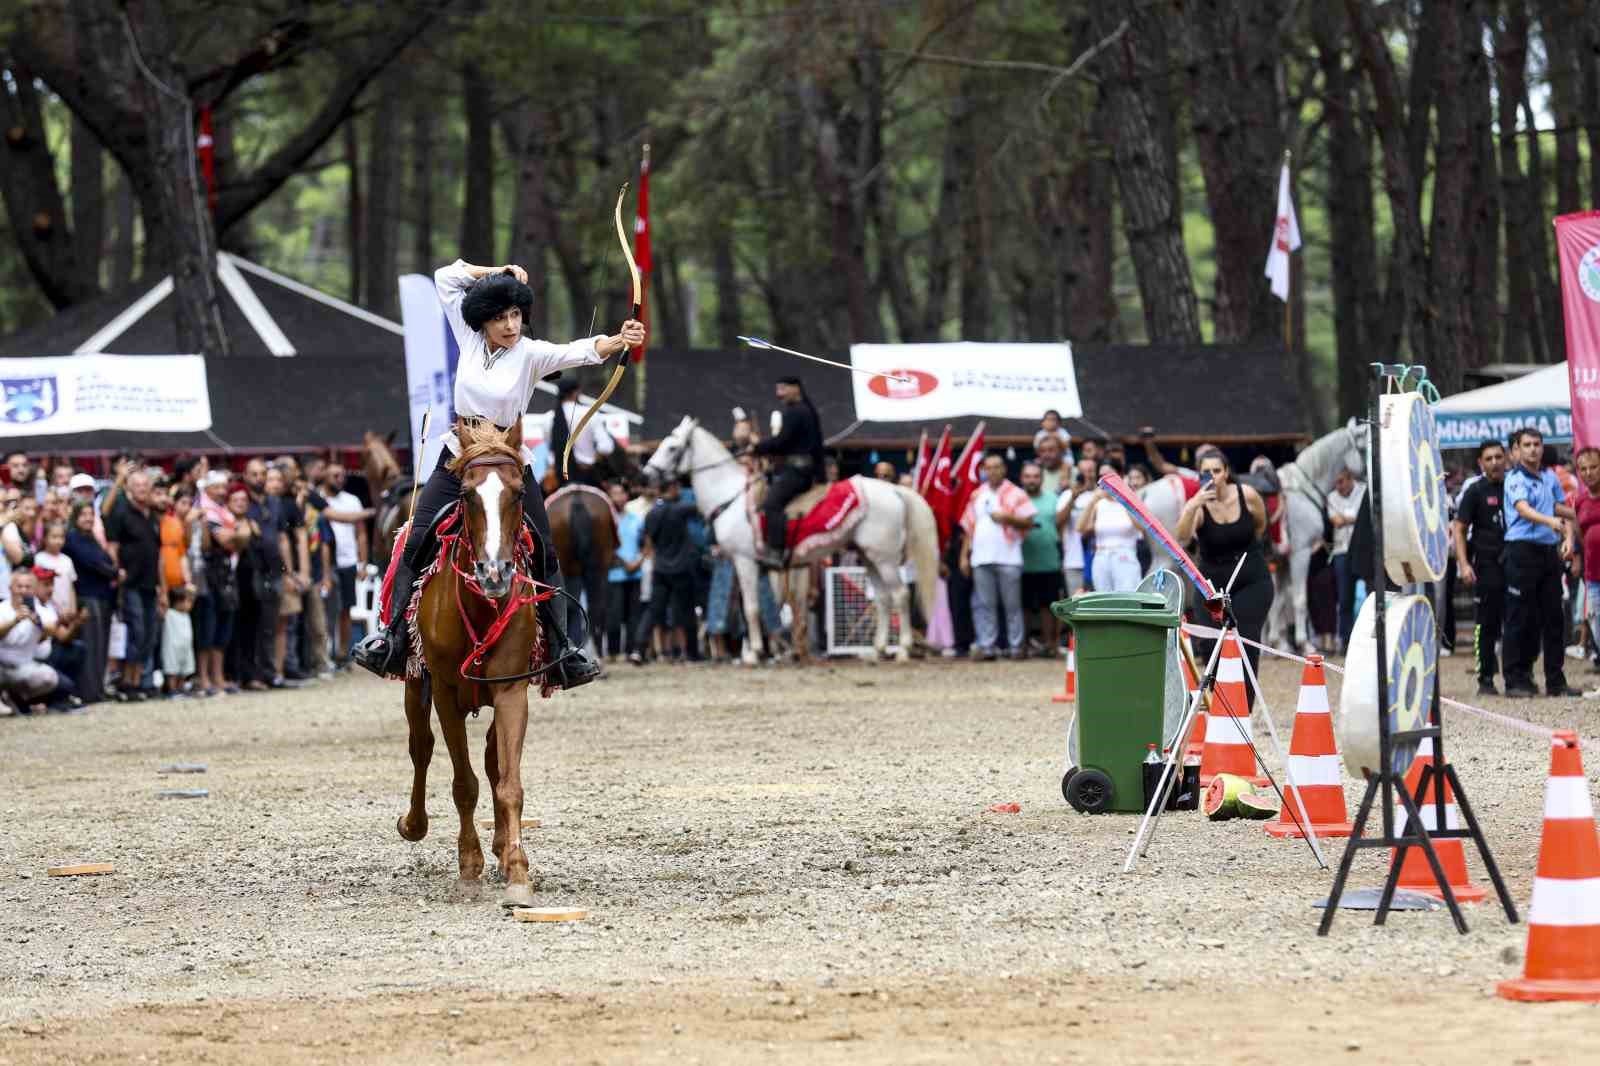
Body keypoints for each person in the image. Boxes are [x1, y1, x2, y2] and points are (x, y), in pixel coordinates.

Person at [353, 259, 643, 687]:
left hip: (508, 461)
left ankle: (564, 650)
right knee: (416, 539)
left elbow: (581, 351)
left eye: (514, 316)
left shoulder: (530, 354)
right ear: (482, 321)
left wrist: (620, 339)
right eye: (499, 317)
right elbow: (444, 278)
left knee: (545, 549)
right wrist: (495, 270)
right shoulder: (467, 337)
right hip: (459, 456)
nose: (510, 325)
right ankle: (393, 640)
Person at [1176, 447, 1274, 686]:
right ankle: (1216, 703)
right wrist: (1191, 506)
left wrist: (1249, 550)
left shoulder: (1247, 494)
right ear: (1199, 475)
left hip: (1250, 576)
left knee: (1246, 638)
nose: (1212, 476)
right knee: (1211, 642)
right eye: (1206, 472)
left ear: (1226, 472)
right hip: (1211, 580)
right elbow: (1183, 538)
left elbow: (1261, 525)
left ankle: (1244, 708)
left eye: (1217, 471)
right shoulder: (1198, 505)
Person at [1501, 427, 1579, 698]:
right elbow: (1523, 508)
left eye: (1537, 444)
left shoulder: (1550, 477)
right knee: (1520, 617)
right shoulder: (1513, 478)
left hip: (1548, 552)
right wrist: (1550, 521)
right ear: (1518, 449)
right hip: (1521, 551)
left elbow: (1562, 510)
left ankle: (1556, 681)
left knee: (1554, 617)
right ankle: (1514, 679)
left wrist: (1569, 538)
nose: (1533, 449)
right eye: (1527, 444)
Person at [959, 453, 1036, 660]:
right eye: (988, 467)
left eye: (997, 467)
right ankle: (987, 647)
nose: (992, 471)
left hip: (1008, 557)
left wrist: (1008, 518)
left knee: (1012, 605)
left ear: (1004, 469)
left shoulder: (1016, 493)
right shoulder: (977, 494)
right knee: (985, 605)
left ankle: (1015, 647)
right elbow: (969, 527)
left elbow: (1029, 522)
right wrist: (964, 556)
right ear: (984, 470)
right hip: (981, 558)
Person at [749, 376, 824, 569]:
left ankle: (776, 550)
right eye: (777, 389)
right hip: (803, 469)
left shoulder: (795, 412)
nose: (778, 394)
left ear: (796, 389)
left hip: (797, 472)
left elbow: (783, 442)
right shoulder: (806, 410)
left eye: (782, 389)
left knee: (771, 503)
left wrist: (760, 446)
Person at [1454, 440, 1508, 696]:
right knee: (1485, 625)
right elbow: (1459, 528)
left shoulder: (1514, 485)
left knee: (1518, 623)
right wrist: (1463, 564)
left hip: (1515, 565)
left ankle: (1517, 676)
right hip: (1485, 566)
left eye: (1499, 457)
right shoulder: (1475, 491)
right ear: (1481, 463)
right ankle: (1485, 678)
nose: (1495, 462)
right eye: (1489, 458)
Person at [105, 470, 163, 701]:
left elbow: (157, 554)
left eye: (145, 485)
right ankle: (127, 682)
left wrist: (162, 588)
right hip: (130, 583)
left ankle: (139, 681)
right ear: (129, 488)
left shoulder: (152, 516)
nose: (142, 488)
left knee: (148, 634)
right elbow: (113, 546)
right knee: (136, 632)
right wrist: (116, 570)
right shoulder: (121, 512)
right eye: (137, 485)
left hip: (150, 583)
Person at [642, 477, 701, 662]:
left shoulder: (651, 513)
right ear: (673, 488)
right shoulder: (681, 509)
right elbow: (702, 508)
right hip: (681, 568)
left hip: (660, 568)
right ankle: (691, 653)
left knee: (654, 610)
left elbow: (647, 540)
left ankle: (637, 648)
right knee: (685, 611)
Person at [0, 570, 76, 714]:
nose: (23, 590)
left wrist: (37, 621)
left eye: (27, 587)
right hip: (1, 666)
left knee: (50, 678)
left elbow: (51, 630)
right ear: (10, 588)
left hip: (22, 668)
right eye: (19, 586)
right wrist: (14, 621)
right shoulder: (2, 608)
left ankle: (19, 699)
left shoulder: (40, 610)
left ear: (33, 589)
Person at [63, 501, 115, 704]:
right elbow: (93, 563)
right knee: (91, 645)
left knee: (101, 645)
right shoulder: (73, 538)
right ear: (75, 517)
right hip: (86, 596)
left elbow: (106, 561)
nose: (87, 518)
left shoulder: (92, 539)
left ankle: (98, 689)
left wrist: (110, 569)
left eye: (90, 514)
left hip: (102, 596)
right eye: (83, 514)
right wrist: (113, 572)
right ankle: (88, 691)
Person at [319, 462, 369, 664]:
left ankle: (343, 654)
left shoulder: (352, 500)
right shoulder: (318, 500)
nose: (339, 479)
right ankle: (325, 653)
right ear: (325, 476)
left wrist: (362, 563)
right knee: (325, 611)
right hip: (326, 564)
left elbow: (361, 534)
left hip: (348, 561)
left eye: (342, 475)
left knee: (346, 610)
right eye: (334, 475)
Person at [1077, 458, 1143, 592]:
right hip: (1101, 556)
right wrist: (1092, 501)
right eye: (1101, 476)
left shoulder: (1132, 498)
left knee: (1126, 600)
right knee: (1103, 601)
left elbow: (1141, 527)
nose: (1104, 479)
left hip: (1125, 555)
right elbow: (1080, 528)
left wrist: (1123, 499)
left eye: (1109, 475)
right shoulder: (1098, 503)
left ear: (1120, 476)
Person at [1018, 461, 1062, 657]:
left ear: (1042, 479)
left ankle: (1050, 645)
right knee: (1024, 607)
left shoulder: (1054, 499)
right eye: (1028, 476)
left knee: (1048, 606)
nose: (1032, 480)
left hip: (1049, 560)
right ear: (1022, 478)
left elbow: (1061, 525)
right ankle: (1022, 646)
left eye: (1036, 476)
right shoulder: (1016, 499)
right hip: (1021, 562)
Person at [548, 375, 616, 487]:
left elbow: (551, 452)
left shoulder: (549, 418)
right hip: (588, 477)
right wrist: (591, 460)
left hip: (561, 480)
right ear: (576, 392)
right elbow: (606, 447)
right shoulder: (589, 413)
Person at [1327, 468, 1364, 650]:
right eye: (1336, 483)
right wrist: (1355, 519)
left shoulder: (1363, 491)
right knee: (1344, 597)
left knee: (1372, 594)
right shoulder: (1332, 497)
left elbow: (1365, 519)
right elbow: (1336, 521)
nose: (1338, 486)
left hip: (1363, 550)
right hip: (1342, 550)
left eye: (1341, 482)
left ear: (1350, 480)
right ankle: (1345, 639)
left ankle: (1368, 636)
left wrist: (1348, 519)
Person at [1056, 457, 1099, 597]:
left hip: (1099, 560)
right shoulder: (1067, 495)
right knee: (1075, 608)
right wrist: (1073, 498)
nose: (1087, 475)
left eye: (1091, 471)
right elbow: (1058, 523)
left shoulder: (1102, 495)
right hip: (1074, 561)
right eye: (1083, 471)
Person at [162, 586, 196, 697]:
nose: (190, 604)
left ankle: (181, 687)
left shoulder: (187, 616)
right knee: (172, 668)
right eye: (187, 601)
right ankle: (172, 689)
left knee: (185, 669)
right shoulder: (170, 614)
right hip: (172, 647)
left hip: (185, 647)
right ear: (178, 602)